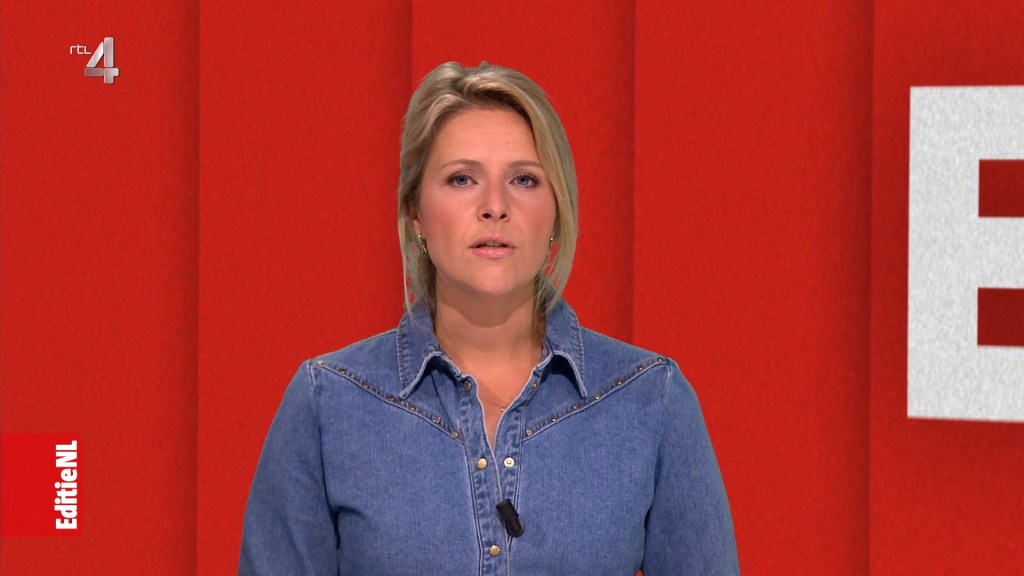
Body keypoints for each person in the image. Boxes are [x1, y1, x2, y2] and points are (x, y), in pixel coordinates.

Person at [239, 61, 739, 575]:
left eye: (524, 179)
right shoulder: (327, 403)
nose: (495, 206)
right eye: (462, 179)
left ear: (556, 213)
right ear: (416, 214)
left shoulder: (650, 400)